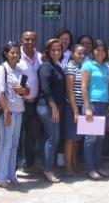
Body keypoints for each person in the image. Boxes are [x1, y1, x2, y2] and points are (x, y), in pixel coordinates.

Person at [0, 41, 29, 188]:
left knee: (14, 145)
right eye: (12, 52)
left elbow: (26, 92)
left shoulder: (19, 70)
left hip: (18, 111)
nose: (15, 55)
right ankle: (1, 178)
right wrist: (6, 112)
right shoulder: (2, 69)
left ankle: (11, 175)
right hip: (7, 113)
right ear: (6, 54)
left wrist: (24, 91)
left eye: (17, 53)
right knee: (5, 145)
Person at [36, 38, 66, 183]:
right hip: (47, 106)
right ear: (47, 51)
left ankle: (45, 166)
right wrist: (54, 107)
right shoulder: (46, 66)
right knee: (53, 137)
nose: (56, 52)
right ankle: (48, 170)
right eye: (53, 49)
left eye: (59, 50)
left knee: (49, 137)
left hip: (54, 106)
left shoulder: (57, 66)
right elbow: (45, 89)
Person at [81, 39, 109, 180]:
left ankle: (98, 167)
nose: (100, 52)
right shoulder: (88, 65)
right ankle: (90, 169)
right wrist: (87, 108)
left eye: (103, 50)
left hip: (104, 105)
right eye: (97, 49)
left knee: (100, 139)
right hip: (92, 104)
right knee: (90, 139)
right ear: (93, 51)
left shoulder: (106, 66)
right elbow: (84, 87)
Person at [17, 31, 42, 172]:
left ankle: (28, 162)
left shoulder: (40, 57)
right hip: (21, 103)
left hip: (36, 103)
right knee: (17, 135)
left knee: (32, 135)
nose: (30, 42)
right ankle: (12, 165)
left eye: (33, 39)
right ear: (22, 40)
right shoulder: (17, 57)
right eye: (27, 39)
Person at [63, 44, 85, 176]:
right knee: (70, 138)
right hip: (72, 107)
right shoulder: (70, 67)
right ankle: (68, 167)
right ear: (72, 54)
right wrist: (75, 111)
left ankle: (74, 164)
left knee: (76, 138)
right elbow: (70, 91)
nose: (81, 56)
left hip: (81, 106)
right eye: (79, 53)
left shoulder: (81, 67)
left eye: (83, 53)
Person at [54, 28, 74, 167]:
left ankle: (62, 156)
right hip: (54, 98)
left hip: (68, 99)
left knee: (64, 129)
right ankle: (51, 157)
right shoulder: (51, 55)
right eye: (62, 38)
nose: (64, 41)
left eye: (67, 39)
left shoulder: (72, 55)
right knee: (52, 129)